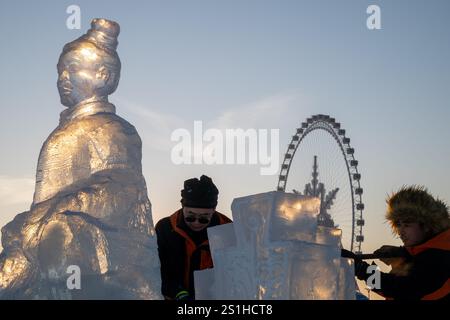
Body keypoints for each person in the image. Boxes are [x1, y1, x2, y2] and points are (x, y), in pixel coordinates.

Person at [354, 186, 450, 300]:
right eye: (398, 225)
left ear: (426, 225)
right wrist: (403, 253)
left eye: (407, 224)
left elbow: (401, 288)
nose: (401, 232)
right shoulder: (428, 253)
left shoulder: (440, 258)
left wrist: (364, 271)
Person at [155, 175, 232, 300]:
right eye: (190, 216)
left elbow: (234, 271)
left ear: (214, 211)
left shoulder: (227, 230)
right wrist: (179, 293)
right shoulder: (165, 228)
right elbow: (156, 268)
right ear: (183, 207)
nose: (196, 222)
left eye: (204, 217)